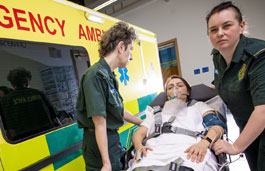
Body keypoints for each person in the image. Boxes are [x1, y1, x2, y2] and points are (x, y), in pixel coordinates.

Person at [75, 22, 142, 171]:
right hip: (99, 145)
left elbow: (118, 110)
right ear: (120, 47)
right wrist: (106, 162)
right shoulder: (95, 76)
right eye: (130, 50)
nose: (131, 57)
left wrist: (142, 122)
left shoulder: (108, 76)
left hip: (111, 141)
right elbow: (99, 122)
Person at [206, 1, 265, 170]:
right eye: (214, 30)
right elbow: (220, 82)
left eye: (227, 26)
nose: (220, 34)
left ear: (241, 26)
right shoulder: (217, 55)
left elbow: (263, 110)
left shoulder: (258, 55)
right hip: (246, 124)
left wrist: (236, 147)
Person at [129, 75, 225, 171]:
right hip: (153, 152)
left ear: (187, 91)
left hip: (189, 150)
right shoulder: (155, 113)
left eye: (179, 85)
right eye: (170, 87)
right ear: (167, 95)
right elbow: (139, 133)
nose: (175, 89)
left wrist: (204, 143)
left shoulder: (198, 106)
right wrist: (139, 146)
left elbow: (217, 126)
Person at [0, 67, 60, 140]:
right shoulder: (39, 93)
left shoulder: (4, 100)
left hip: (22, 139)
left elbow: (4, 126)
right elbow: (55, 115)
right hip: (47, 133)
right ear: (27, 81)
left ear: (12, 84)